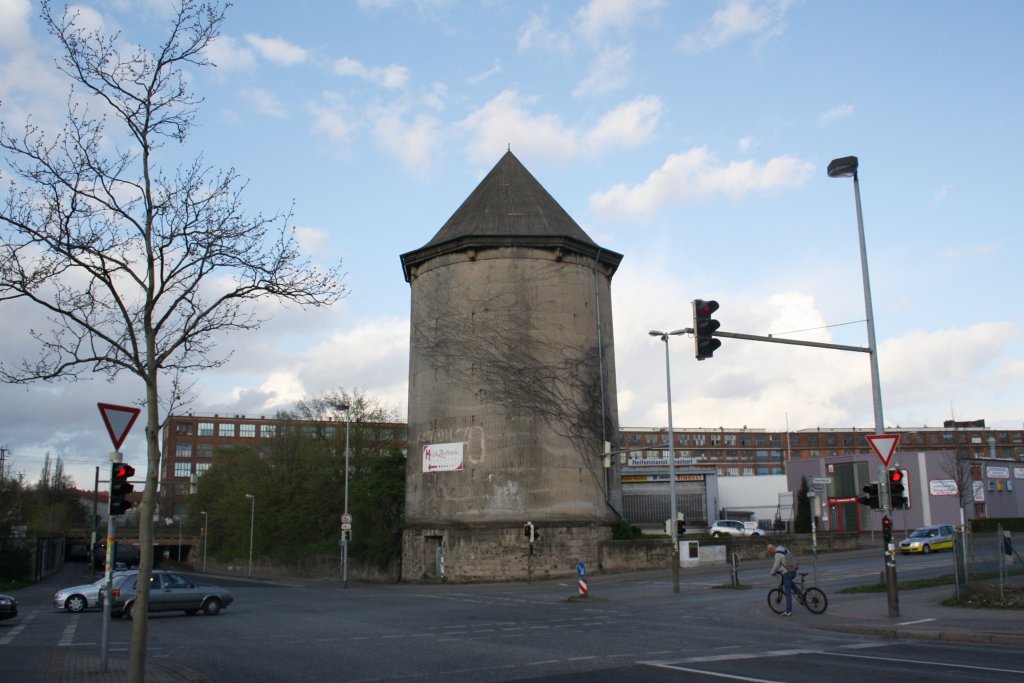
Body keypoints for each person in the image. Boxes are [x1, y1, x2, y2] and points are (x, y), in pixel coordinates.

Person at [767, 543, 799, 616]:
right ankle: (799, 593)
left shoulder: (777, 554)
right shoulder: (782, 549)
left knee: (788, 593)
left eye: (769, 551)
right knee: (789, 583)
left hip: (787, 573)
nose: (770, 553)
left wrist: (772, 573)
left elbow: (776, 566)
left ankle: (788, 611)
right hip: (793, 570)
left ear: (771, 550)